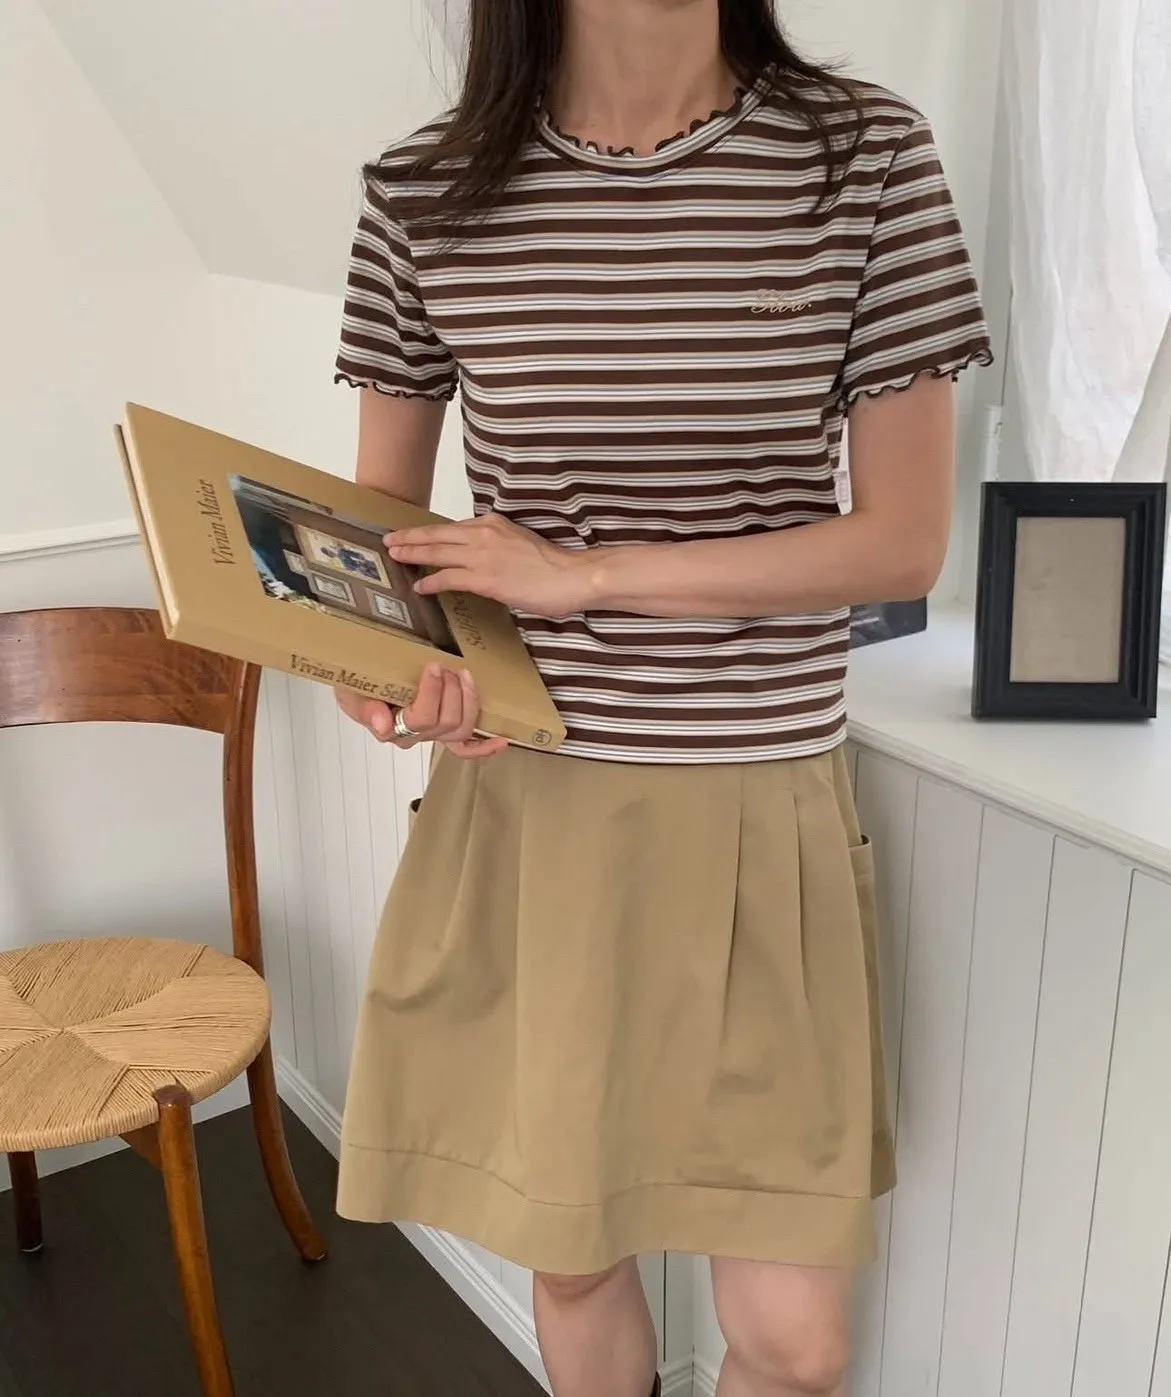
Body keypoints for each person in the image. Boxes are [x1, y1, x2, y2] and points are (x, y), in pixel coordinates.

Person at [332, 2, 992, 1394]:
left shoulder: (864, 157)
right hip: (537, 804)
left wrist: (585, 578)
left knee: (795, 1345)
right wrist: (395, 674)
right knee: (576, 1258)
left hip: (760, 797)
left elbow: (901, 544)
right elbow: (378, 544)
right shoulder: (424, 191)